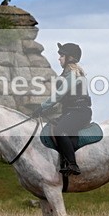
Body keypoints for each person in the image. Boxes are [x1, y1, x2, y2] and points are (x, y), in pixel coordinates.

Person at [34, 42, 92, 176]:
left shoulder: (72, 74)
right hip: (72, 111)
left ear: (69, 58)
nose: (59, 58)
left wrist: (42, 108)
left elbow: (59, 95)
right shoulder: (67, 74)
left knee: (60, 130)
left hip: (79, 112)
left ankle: (73, 164)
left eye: (61, 56)